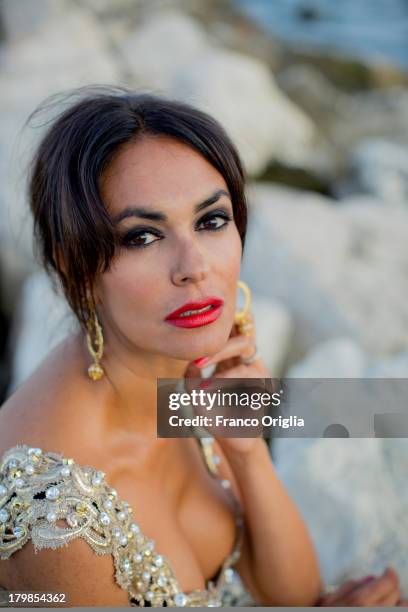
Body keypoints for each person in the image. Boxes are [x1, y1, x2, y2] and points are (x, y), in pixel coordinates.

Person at [0, 87, 403, 607]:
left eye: (211, 221)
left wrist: (248, 453)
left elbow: (293, 595)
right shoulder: (53, 514)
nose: (194, 266)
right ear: (77, 264)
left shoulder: (184, 376)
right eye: (142, 236)